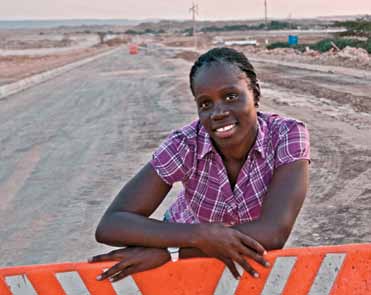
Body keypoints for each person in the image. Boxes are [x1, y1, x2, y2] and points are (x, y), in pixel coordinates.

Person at [89, 47, 310, 282]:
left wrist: (171, 252)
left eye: (231, 96)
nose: (218, 112)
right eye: (205, 103)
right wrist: (198, 235)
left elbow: (273, 232)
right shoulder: (186, 143)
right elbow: (111, 225)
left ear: (254, 93)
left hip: (185, 250)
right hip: (182, 235)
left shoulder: (287, 135)